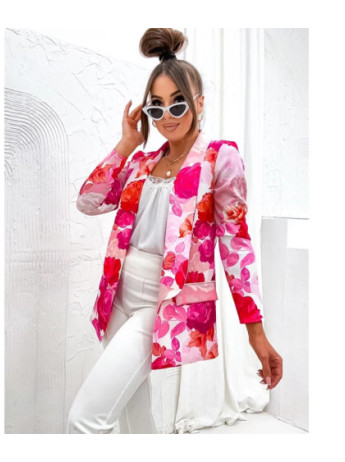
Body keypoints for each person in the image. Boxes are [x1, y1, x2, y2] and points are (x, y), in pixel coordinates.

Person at [67, 28, 283, 434]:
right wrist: (127, 144)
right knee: (133, 418)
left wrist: (256, 334)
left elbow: (236, 246)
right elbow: (88, 202)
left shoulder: (219, 159)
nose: (167, 115)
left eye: (178, 103)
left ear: (199, 103)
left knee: (85, 419)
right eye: (157, 106)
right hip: (118, 295)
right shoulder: (142, 164)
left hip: (165, 300)